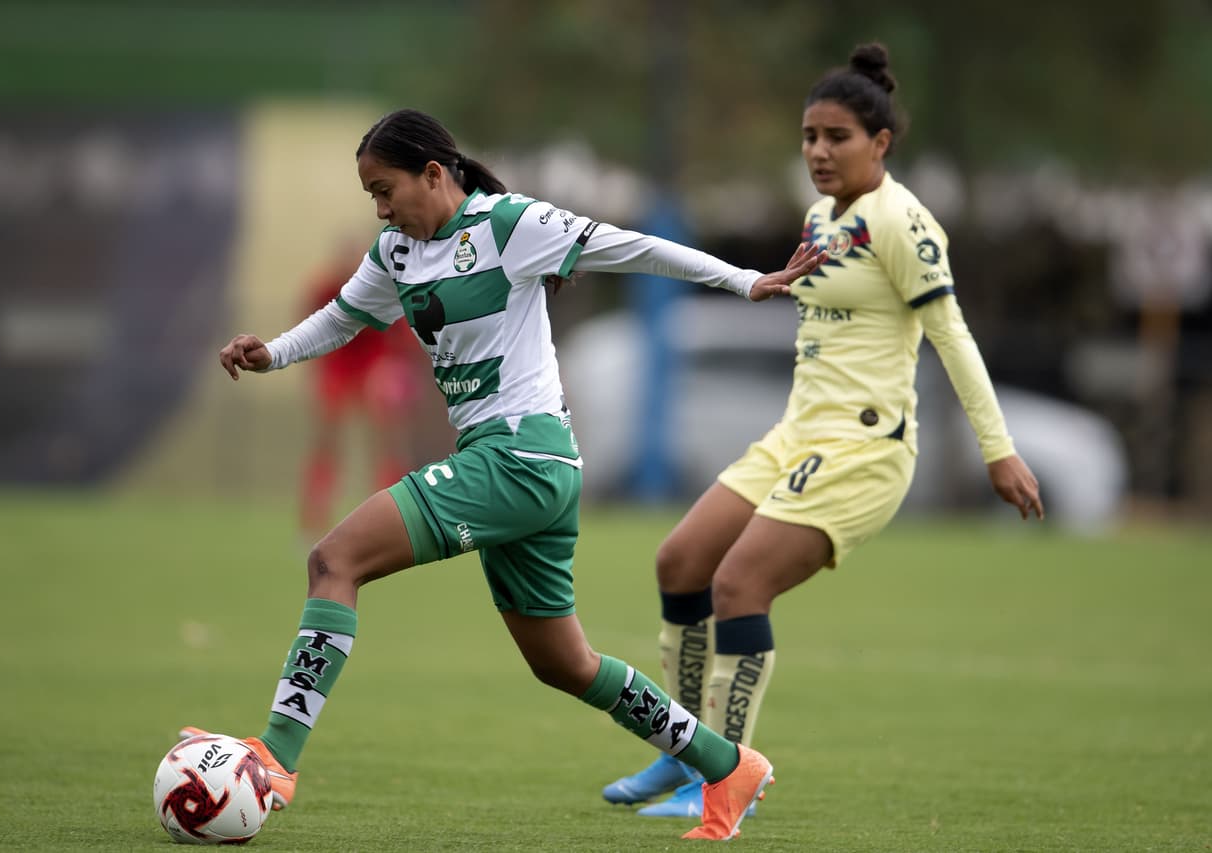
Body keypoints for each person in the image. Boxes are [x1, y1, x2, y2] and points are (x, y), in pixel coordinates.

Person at [188, 107, 826, 842]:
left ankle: (277, 756)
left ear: (435, 173)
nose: (380, 206)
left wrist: (746, 281)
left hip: (520, 458)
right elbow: (342, 318)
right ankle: (728, 765)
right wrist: (271, 352)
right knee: (565, 663)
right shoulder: (396, 251)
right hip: (524, 468)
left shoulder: (508, 225)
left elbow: (636, 248)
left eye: (385, 187)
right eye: (371, 194)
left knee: (335, 559)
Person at [602, 43, 1045, 818]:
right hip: (793, 434)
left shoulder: (904, 221)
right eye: (809, 136)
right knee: (680, 562)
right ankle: (683, 755)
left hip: (863, 447)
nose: (817, 151)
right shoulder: (819, 217)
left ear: (881, 142)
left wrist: (997, 448)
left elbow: (954, 336)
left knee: (740, 584)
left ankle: (725, 775)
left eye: (836, 137)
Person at [296, 237, 428, 541]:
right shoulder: (326, 289)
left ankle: (392, 520)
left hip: (373, 369)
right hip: (338, 368)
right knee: (327, 443)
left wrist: (395, 371)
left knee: (386, 442)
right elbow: (312, 328)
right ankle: (313, 521)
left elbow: (401, 336)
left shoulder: (382, 289)